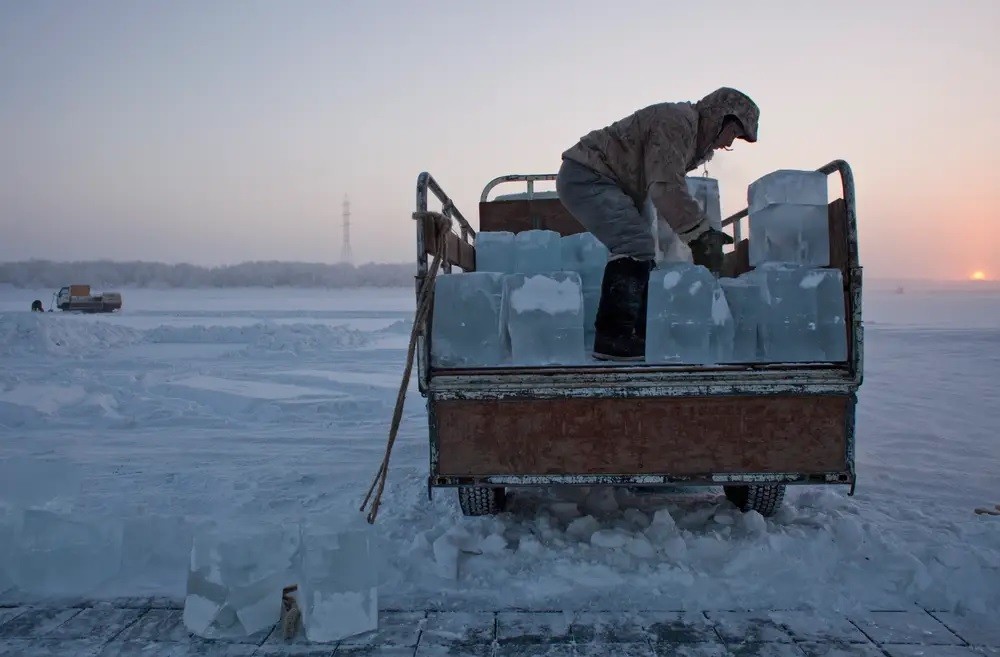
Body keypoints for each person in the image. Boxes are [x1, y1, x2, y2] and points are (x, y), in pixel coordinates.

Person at [556, 87, 760, 361]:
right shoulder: (677, 122)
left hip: (616, 184)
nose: (725, 144)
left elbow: (662, 184)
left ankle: (639, 333)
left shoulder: (687, 133)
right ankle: (613, 338)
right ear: (720, 117)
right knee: (635, 244)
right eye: (731, 134)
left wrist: (699, 232)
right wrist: (700, 235)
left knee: (644, 251)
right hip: (589, 175)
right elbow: (665, 187)